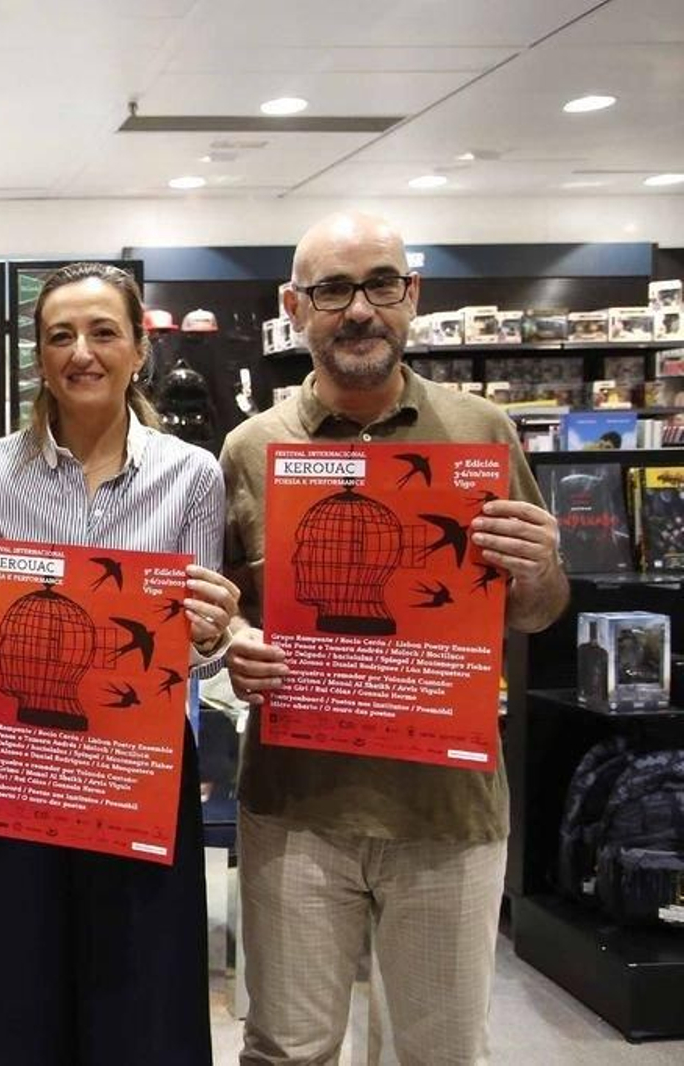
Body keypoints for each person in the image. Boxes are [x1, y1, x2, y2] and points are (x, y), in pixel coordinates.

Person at [220, 210, 569, 1065]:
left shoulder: (483, 432)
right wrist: (232, 639)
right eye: (332, 290)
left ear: (412, 294)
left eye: (380, 284)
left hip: (447, 812)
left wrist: (539, 569)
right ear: (294, 307)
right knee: (288, 1049)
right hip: (297, 809)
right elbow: (219, 606)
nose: (359, 310)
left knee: (438, 1052)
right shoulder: (251, 449)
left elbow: (536, 611)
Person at [0, 262, 239, 1065]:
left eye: (103, 332)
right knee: (10, 996)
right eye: (60, 335)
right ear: (40, 355)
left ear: (138, 348)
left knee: (141, 999)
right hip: (17, 766)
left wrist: (211, 636)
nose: (82, 352)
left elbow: (199, 656)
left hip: (138, 772)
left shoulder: (192, 476)